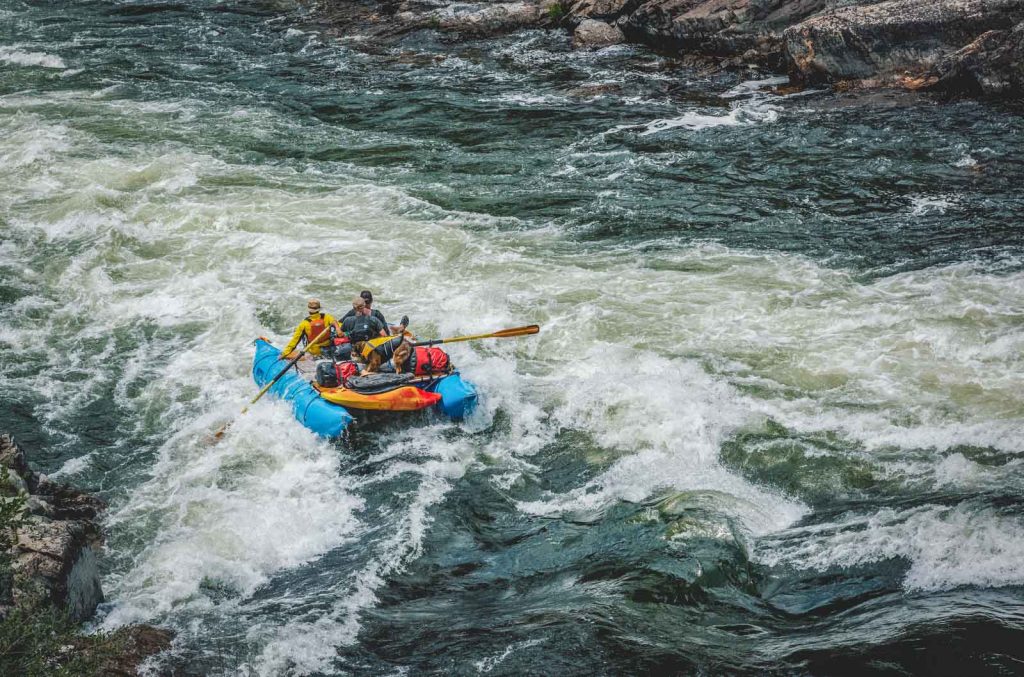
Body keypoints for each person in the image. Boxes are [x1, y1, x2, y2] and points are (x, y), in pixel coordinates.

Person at [340, 290, 405, 335]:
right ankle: (398, 327)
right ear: (372, 301)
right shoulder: (376, 315)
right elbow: (386, 333)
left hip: (358, 341)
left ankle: (396, 328)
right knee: (389, 326)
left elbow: (340, 323)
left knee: (389, 326)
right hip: (374, 340)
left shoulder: (351, 314)